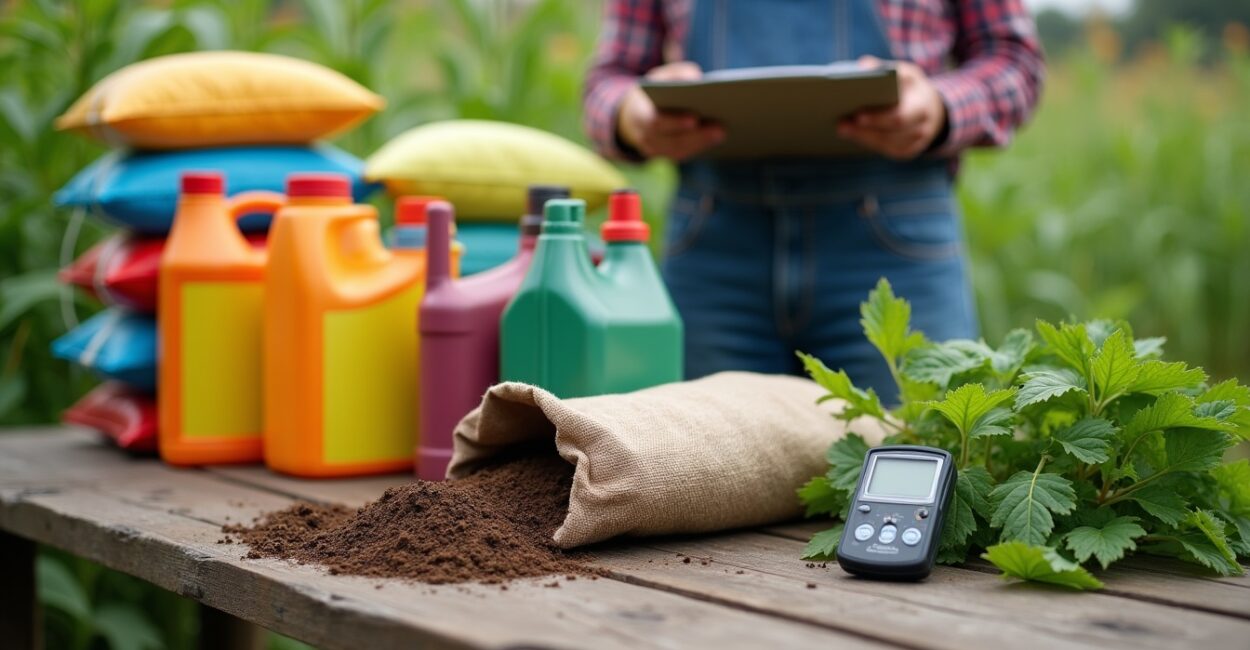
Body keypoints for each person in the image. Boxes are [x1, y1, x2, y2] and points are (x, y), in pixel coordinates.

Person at [583, 0, 1044, 401]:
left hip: (897, 249)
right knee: (697, 462)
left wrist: (940, 107)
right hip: (714, 253)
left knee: (913, 453)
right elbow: (609, 80)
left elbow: (1014, 61)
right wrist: (630, 114)